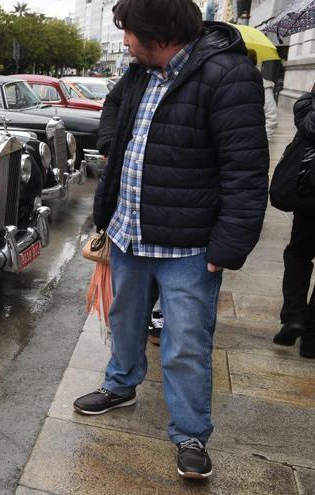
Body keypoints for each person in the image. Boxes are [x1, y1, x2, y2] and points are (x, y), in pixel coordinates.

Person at [73, 0, 268, 480]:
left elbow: (245, 171)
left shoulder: (228, 75)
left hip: (189, 246)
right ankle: (121, 385)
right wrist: (111, 143)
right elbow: (114, 109)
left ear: (158, 34)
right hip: (128, 234)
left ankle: (190, 432)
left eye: (130, 31)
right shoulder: (140, 72)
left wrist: (227, 248)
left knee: (185, 343)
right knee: (125, 320)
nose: (124, 41)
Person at [273, 87, 315, 358]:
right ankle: (312, 339)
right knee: (298, 252)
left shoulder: (307, 104)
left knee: (299, 252)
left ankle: (294, 316)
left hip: (310, 190)